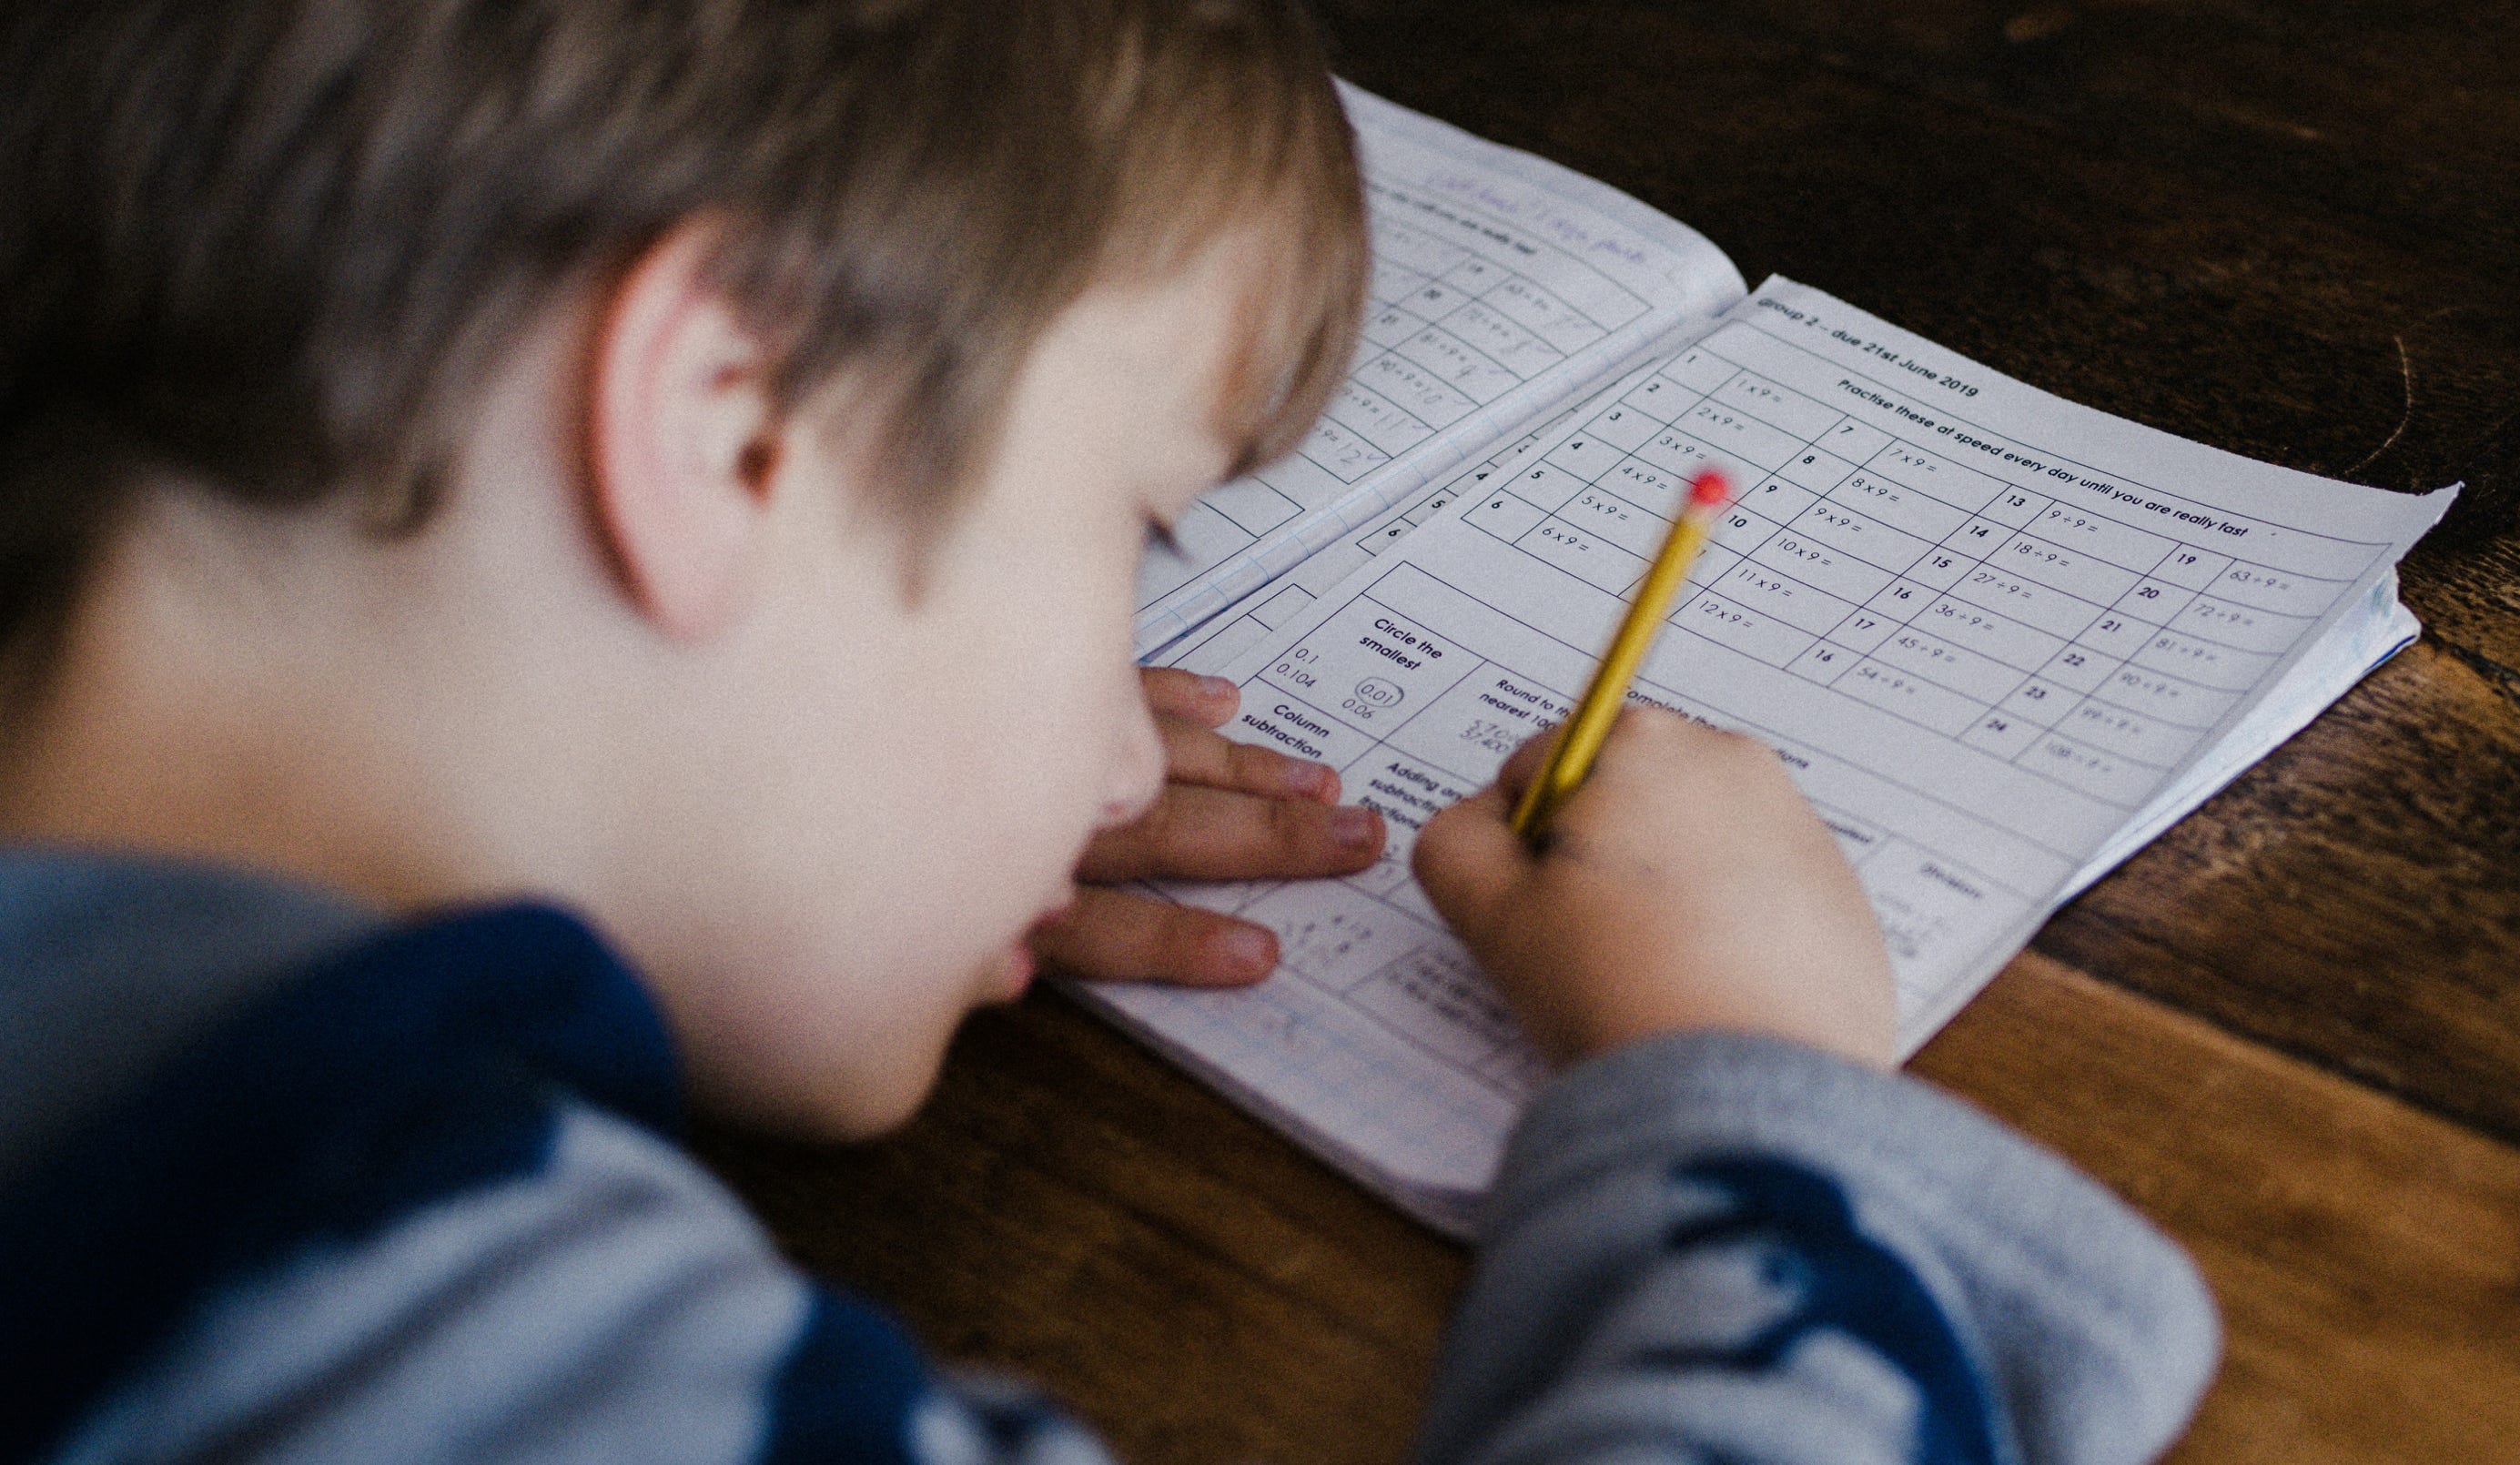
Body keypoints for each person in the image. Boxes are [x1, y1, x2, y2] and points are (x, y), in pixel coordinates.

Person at [0, 1, 2219, 1460]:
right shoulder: (336, 1299)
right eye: (1134, 530)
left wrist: (770, 833)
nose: (1131, 758)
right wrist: (1749, 1092)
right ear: (734, 427)